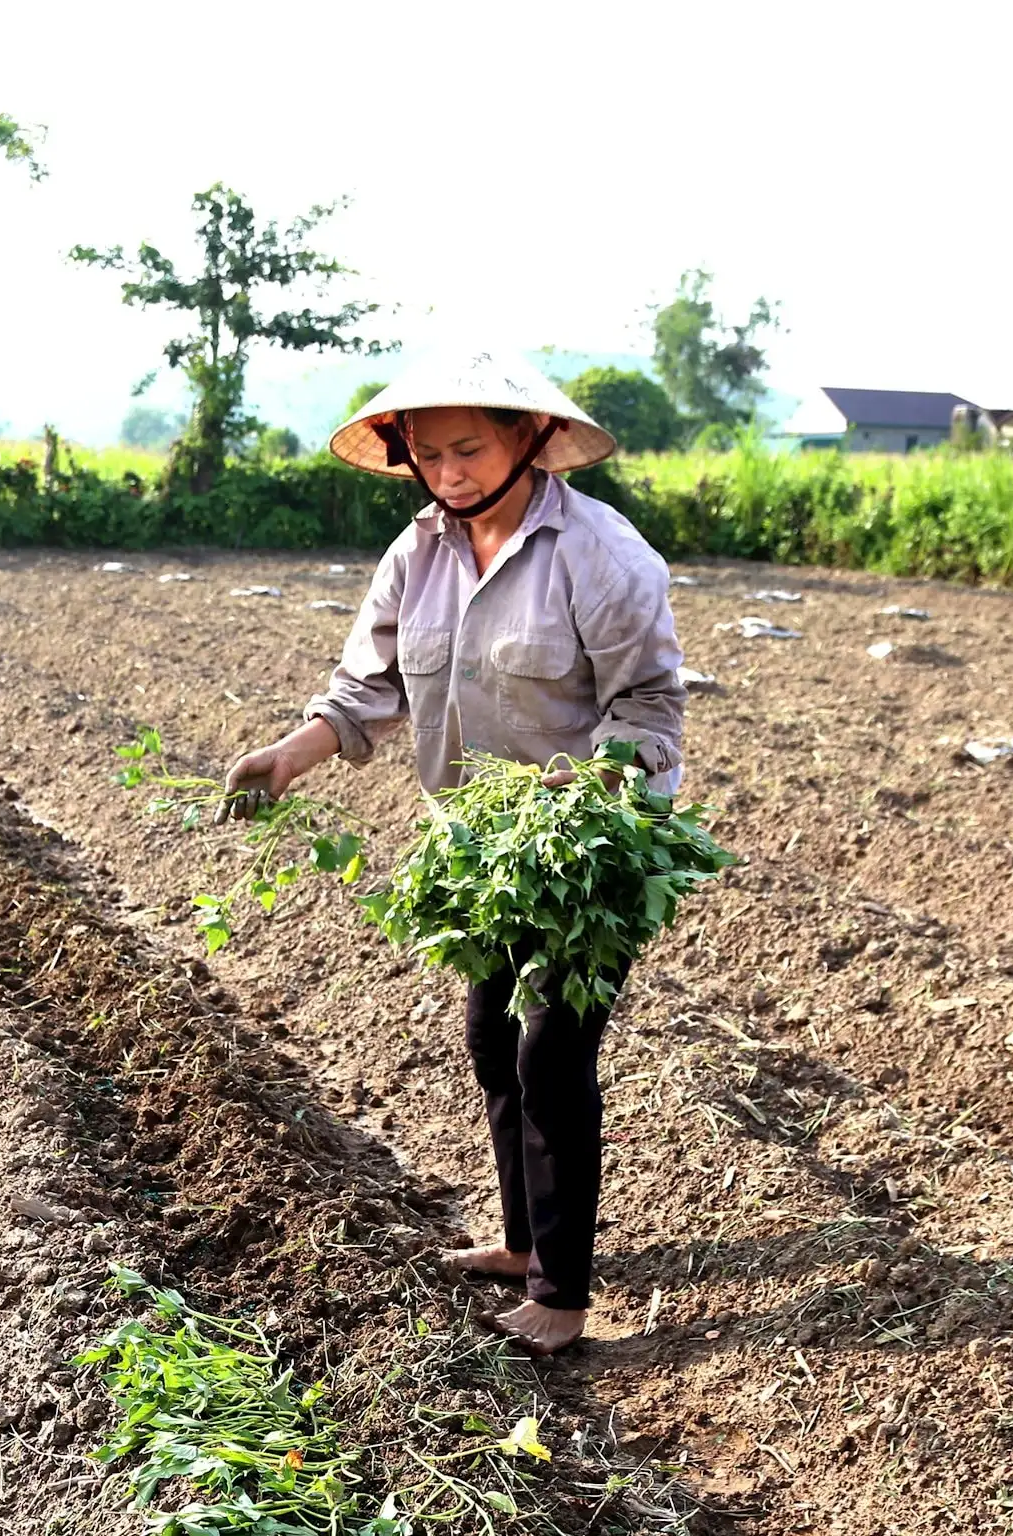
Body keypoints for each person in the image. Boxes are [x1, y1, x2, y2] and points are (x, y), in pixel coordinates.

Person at [223, 352, 687, 1356]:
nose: (450, 469)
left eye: (469, 447)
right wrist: (287, 758)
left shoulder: (599, 554)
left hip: (587, 846)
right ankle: (523, 1244)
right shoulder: (417, 553)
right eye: (428, 452)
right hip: (479, 849)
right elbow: (367, 688)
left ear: (530, 438)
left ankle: (563, 1296)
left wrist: (591, 787)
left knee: (551, 1054)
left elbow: (647, 708)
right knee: (491, 1041)